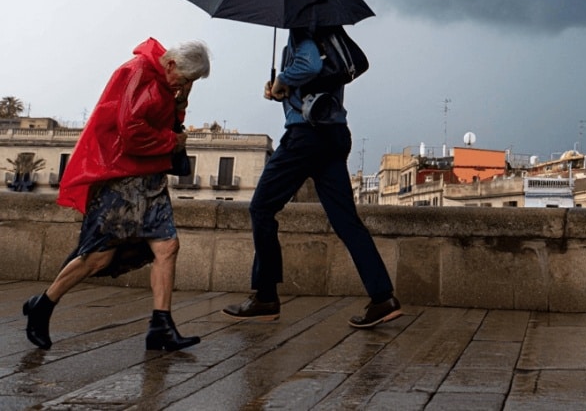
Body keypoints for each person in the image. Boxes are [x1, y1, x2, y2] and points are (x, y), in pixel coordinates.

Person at [23, 39, 211, 351]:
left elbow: (166, 122)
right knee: (99, 255)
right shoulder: (136, 72)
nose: (187, 84)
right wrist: (171, 142)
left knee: (167, 246)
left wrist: (181, 101)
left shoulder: (166, 82)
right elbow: (131, 130)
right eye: (187, 78)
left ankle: (161, 326)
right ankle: (43, 304)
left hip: (149, 177)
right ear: (173, 64)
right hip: (121, 177)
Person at [222, 27, 401, 328]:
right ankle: (382, 297)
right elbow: (315, 78)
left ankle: (265, 296)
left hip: (306, 136)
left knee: (261, 208)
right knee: (346, 221)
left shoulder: (302, 30)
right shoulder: (330, 34)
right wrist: (281, 89)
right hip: (334, 134)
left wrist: (281, 79)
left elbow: (310, 65)